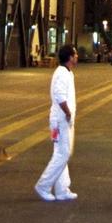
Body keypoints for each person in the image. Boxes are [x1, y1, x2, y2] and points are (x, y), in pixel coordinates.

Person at [35, 44, 79, 202]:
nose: (77, 56)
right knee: (63, 153)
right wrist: (68, 113)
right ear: (70, 57)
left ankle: (62, 190)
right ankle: (43, 185)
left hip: (64, 120)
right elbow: (60, 96)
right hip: (61, 120)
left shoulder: (68, 73)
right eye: (75, 54)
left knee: (62, 153)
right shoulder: (62, 74)